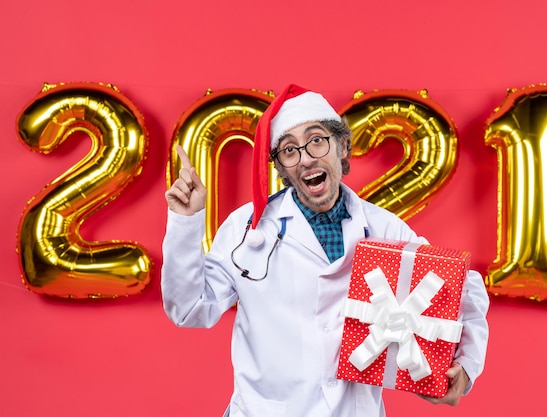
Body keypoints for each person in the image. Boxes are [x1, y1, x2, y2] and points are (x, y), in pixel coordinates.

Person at [161, 84, 489, 417]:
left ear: (342, 146)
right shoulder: (247, 228)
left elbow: (463, 288)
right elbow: (189, 309)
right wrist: (186, 224)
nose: (305, 158)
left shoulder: (383, 229)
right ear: (280, 167)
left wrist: (465, 365)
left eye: (317, 140)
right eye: (289, 150)